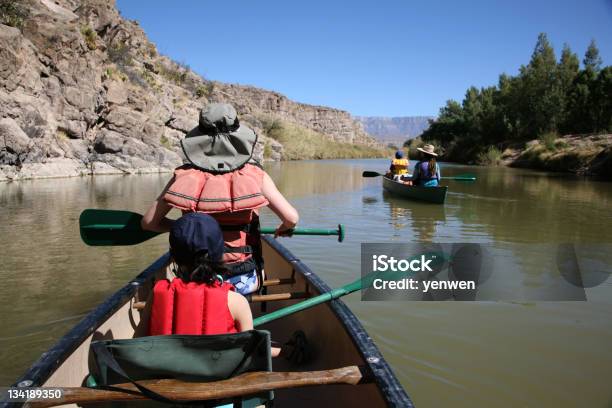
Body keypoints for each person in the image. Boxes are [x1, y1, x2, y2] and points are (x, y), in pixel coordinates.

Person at [142, 103, 299, 296]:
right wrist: (283, 228)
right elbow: (291, 218)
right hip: (242, 276)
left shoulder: (182, 175)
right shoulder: (256, 175)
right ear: (238, 139)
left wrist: (186, 228)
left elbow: (149, 223)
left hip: (193, 276)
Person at [149, 212, 281, 357]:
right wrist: (282, 351)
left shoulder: (157, 295)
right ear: (220, 254)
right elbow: (250, 352)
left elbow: (135, 346)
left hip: (167, 375)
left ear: (173, 256)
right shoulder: (236, 301)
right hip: (221, 377)